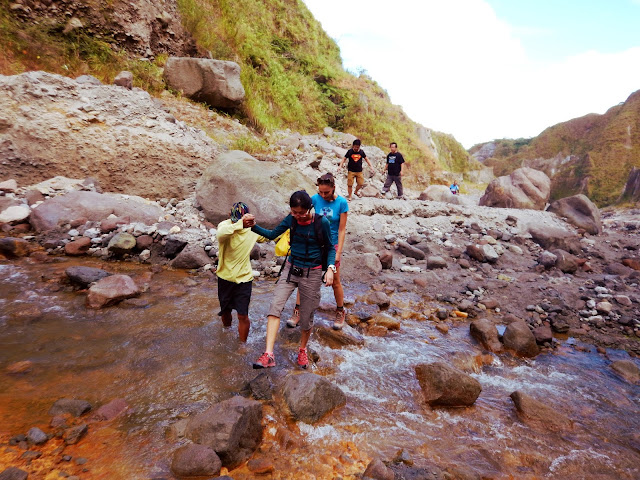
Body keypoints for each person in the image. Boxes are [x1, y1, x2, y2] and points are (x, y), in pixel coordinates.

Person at [248, 191, 336, 369]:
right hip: (290, 269)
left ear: (309, 209)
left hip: (312, 272)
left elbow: (330, 247)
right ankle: (269, 354)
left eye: (301, 213)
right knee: (275, 306)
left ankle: (302, 349)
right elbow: (272, 235)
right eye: (294, 212)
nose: (297, 216)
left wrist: (330, 269)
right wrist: (253, 226)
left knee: (306, 317)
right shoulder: (291, 219)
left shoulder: (322, 222)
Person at [289, 173, 349, 330]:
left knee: (335, 280)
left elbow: (342, 229)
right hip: (314, 243)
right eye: (321, 192)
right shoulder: (314, 199)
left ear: (333, 188)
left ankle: (340, 311)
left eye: (326, 192)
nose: (323, 195)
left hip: (332, 244)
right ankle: (298, 311)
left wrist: (338, 251)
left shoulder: (342, 203)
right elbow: (301, 217)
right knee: (304, 278)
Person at [216, 202, 262, 342]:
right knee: (225, 311)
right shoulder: (225, 226)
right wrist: (239, 224)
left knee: (243, 315)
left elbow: (270, 235)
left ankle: (242, 345)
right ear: (230, 216)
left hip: (244, 279)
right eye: (234, 219)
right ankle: (227, 331)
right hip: (225, 277)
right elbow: (221, 235)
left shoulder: (252, 230)